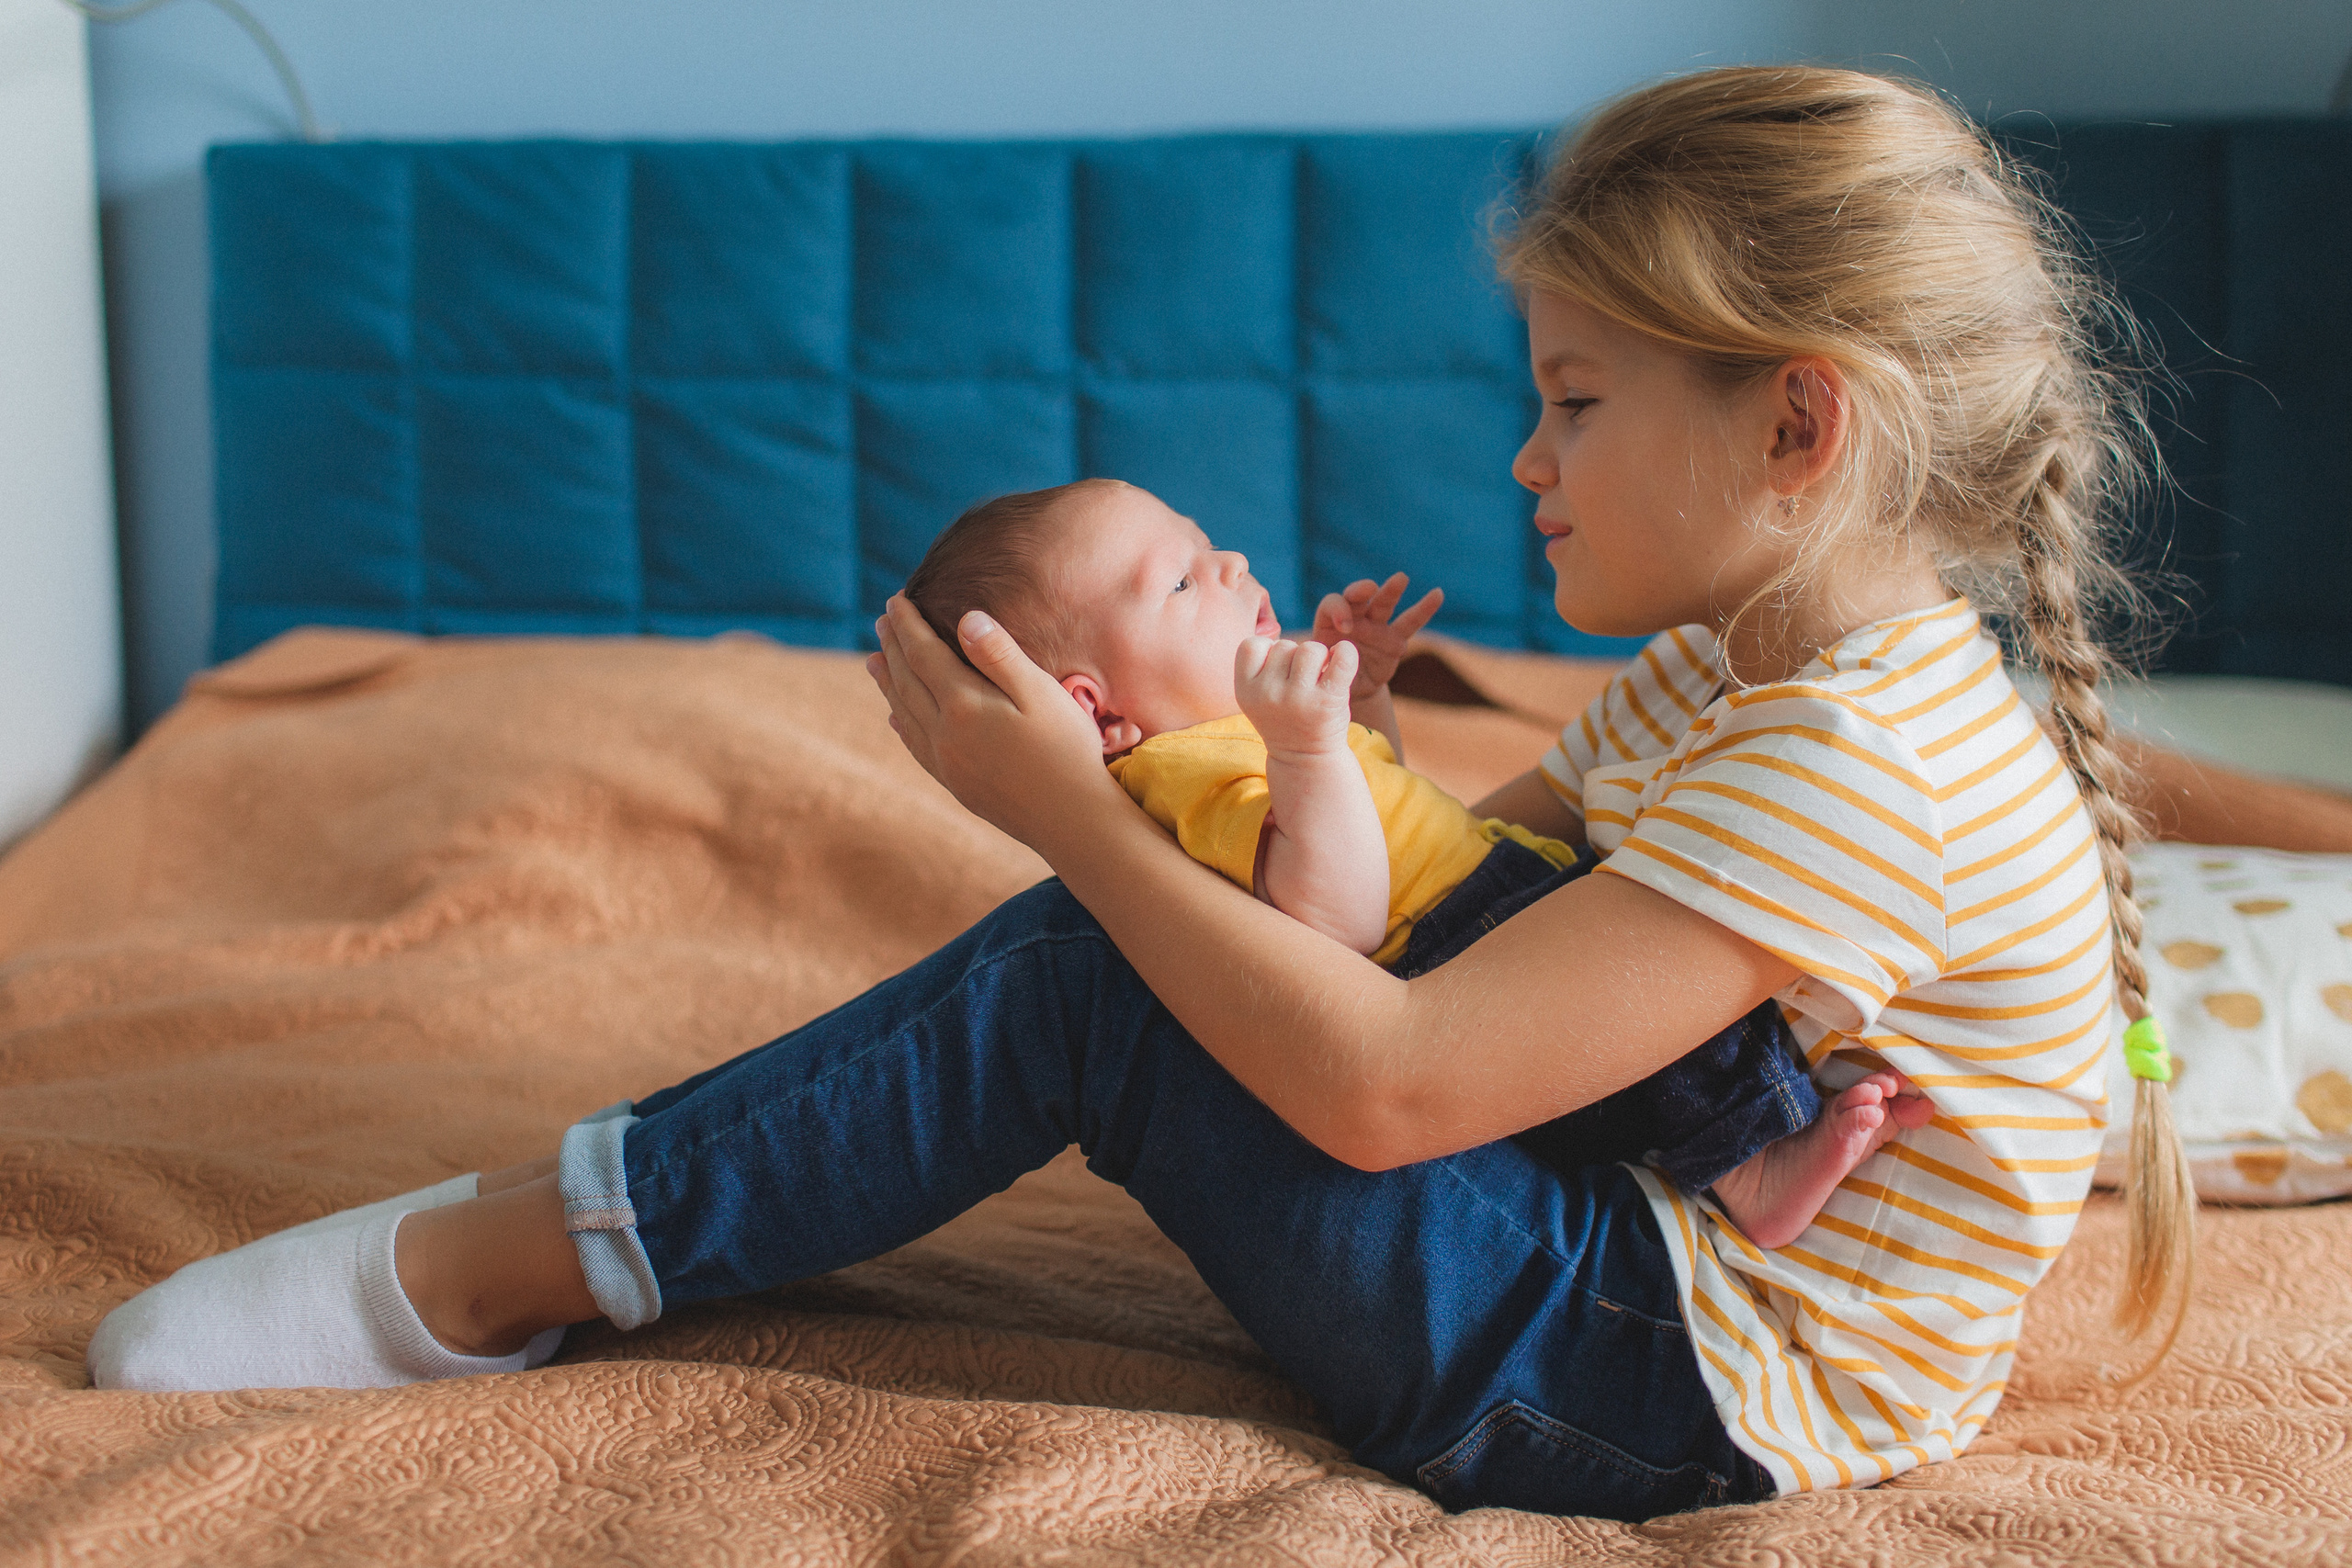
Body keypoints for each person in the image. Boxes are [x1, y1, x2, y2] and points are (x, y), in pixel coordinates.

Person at [87, 65, 2199, 1522]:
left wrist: (1073, 813)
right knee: (1146, 949)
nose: (1523, 461)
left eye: (1570, 399)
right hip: (1629, 1241)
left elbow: (1387, 1081)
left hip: (1661, 1380)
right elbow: (1467, 903)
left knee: (1096, 974)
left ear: (1793, 427)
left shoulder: (1850, 763)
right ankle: (589, 1211)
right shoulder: (1741, 671)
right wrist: (1332, 748)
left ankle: (518, 1257)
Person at [902, 476, 1928, 1243]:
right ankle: (1749, 1173)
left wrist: (1360, 702)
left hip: (1472, 885)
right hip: (1439, 935)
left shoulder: (1237, 734)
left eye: (1206, 545)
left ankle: (1748, 1144)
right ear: (1096, 711)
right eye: (1175, 581)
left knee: (1653, 1013)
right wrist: (1305, 745)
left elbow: (1378, 785)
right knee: (1643, 1041)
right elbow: (1334, 910)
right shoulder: (1182, 777)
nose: (1228, 569)